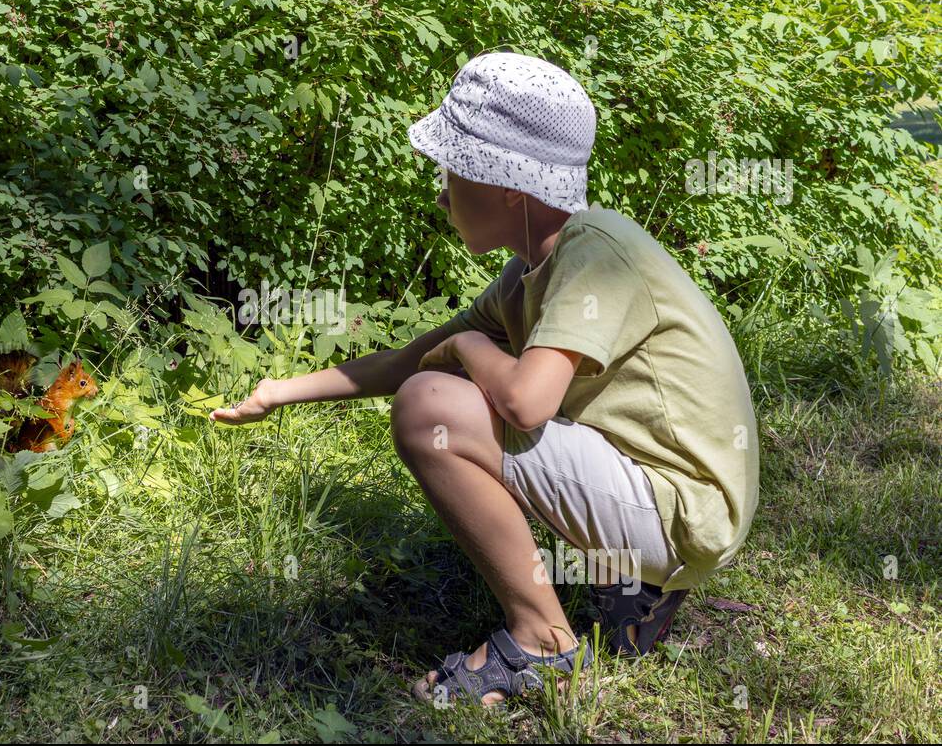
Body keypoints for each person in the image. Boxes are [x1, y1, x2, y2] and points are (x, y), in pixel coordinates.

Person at [211, 52, 759, 706]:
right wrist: (279, 391)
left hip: (686, 514)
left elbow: (525, 404)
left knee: (431, 409)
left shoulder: (596, 253)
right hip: (668, 501)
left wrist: (469, 344)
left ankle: (542, 643)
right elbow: (409, 356)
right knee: (437, 384)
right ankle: (637, 590)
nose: (441, 192)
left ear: (507, 184)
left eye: (454, 170)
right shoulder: (531, 272)